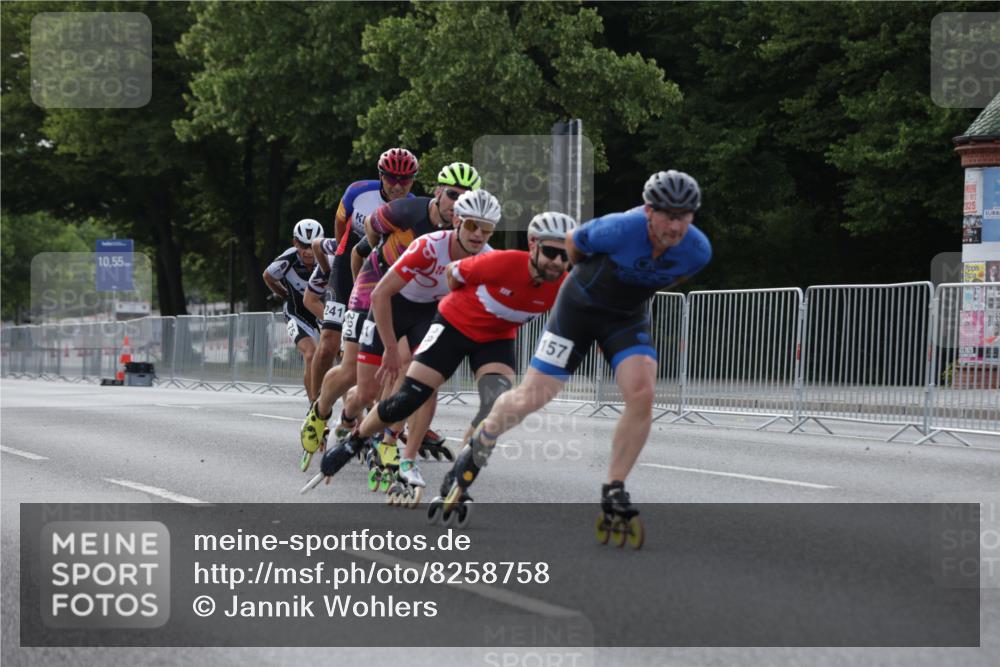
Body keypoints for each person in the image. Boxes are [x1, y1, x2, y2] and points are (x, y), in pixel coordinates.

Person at [452, 171, 712, 546]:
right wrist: (587, 281)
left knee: (642, 393)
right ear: (648, 211)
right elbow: (573, 244)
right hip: (579, 308)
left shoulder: (697, 250)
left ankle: (614, 488)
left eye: (684, 216)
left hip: (625, 317)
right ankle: (483, 438)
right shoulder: (621, 228)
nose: (675, 225)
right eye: (667, 215)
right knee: (535, 396)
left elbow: (669, 279)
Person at [306, 210, 578, 517]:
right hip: (455, 325)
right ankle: (354, 442)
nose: (558, 262)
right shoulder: (500, 261)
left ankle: (459, 479)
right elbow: (452, 275)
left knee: (495, 408)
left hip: (496, 338)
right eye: (552, 253)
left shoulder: (566, 285)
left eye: (565, 255)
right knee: (409, 398)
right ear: (533, 245)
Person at [299, 163, 482, 470]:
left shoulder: (466, 231)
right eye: (452, 195)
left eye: (467, 198)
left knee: (404, 370)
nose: (457, 204)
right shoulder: (405, 211)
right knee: (353, 377)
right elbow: (365, 239)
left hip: (414, 299)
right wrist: (374, 266)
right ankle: (320, 409)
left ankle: (384, 435)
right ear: (438, 192)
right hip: (373, 285)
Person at [304, 149, 419, 409]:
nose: (398, 186)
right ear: (381, 176)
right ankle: (315, 407)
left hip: (378, 271)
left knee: (369, 348)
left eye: (406, 179)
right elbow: (340, 224)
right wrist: (340, 257)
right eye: (392, 178)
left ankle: (369, 409)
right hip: (348, 262)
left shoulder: (411, 207)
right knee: (327, 345)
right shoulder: (357, 192)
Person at [262, 218, 325, 402]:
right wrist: (283, 294)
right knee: (311, 354)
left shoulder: (328, 257)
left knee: (334, 357)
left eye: (311, 245)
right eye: (303, 245)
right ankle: (314, 406)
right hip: (296, 313)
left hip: (320, 312)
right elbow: (267, 276)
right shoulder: (287, 260)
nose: (307, 251)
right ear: (295, 243)